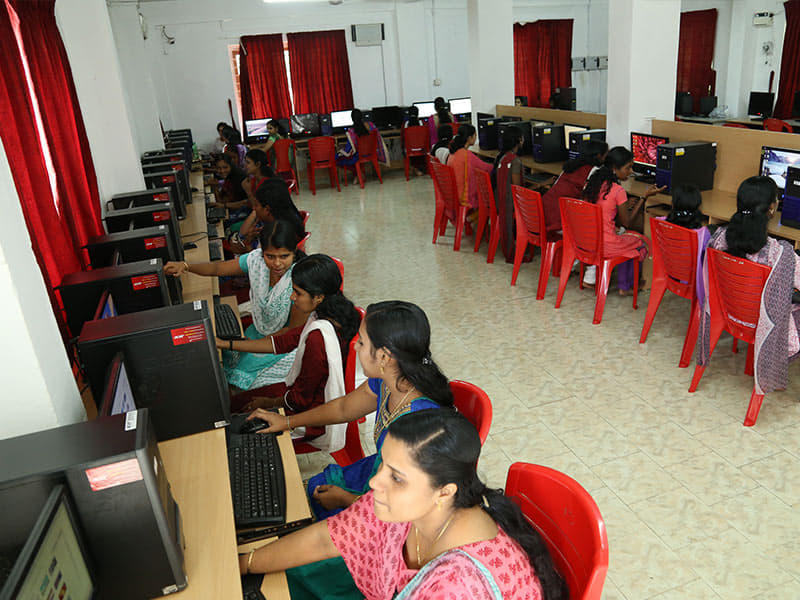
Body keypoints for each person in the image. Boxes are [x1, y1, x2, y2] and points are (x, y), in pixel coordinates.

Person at [239, 409, 567, 600]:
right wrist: (247, 562)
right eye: (383, 466)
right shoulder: (416, 505)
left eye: (395, 477)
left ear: (444, 491)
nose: (374, 482)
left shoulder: (458, 586)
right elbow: (328, 537)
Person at [250, 300, 455, 520]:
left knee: (318, 519)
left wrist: (346, 499)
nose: (355, 346)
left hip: (396, 508)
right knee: (315, 489)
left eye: (362, 343)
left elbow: (406, 508)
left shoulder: (418, 425)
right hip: (380, 470)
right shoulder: (389, 381)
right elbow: (343, 408)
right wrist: (287, 422)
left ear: (384, 357)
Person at [218, 255, 361, 442]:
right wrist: (226, 343)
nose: (292, 297)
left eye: (297, 292)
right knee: (238, 401)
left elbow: (300, 400)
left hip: (313, 416)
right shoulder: (332, 311)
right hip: (311, 397)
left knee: (232, 413)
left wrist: (268, 403)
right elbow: (283, 342)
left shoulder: (319, 338)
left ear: (318, 297)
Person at [165, 221, 306, 388]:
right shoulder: (255, 261)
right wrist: (186, 266)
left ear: (294, 253)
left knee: (237, 375)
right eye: (270, 256)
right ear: (262, 253)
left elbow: (291, 333)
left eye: (284, 256)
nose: (277, 263)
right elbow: (217, 268)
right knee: (224, 359)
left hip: (282, 342)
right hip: (259, 331)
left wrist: (250, 345)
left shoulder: (300, 281)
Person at [699, 176, 800, 395]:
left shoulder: (718, 237)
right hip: (763, 322)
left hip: (729, 313)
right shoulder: (780, 253)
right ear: (772, 209)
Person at [581, 146, 662, 295]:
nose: (631, 172)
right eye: (628, 168)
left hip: (586, 240)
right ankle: (627, 286)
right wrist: (643, 198)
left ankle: (624, 284)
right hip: (605, 245)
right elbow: (627, 223)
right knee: (641, 241)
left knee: (627, 237)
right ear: (615, 168)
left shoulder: (593, 184)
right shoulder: (618, 190)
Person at [660, 183, 711, 307]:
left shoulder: (660, 223)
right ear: (698, 207)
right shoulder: (703, 234)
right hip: (691, 279)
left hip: (670, 271)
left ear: (672, 204)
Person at [239, 177, 305, 248]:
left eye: (256, 205)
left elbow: (256, 256)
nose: (253, 208)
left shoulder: (276, 235)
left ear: (267, 209)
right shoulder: (287, 217)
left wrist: (247, 244)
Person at [447, 124, 493, 219]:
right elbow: (487, 168)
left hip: (453, 195)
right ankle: (473, 218)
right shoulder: (467, 155)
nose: (476, 138)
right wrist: (498, 164)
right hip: (464, 198)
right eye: (475, 135)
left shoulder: (453, 153)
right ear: (469, 138)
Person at [493, 127, 525, 262]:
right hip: (511, 204)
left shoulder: (503, 158)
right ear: (519, 141)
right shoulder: (515, 161)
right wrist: (539, 186)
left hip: (500, 201)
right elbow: (518, 190)